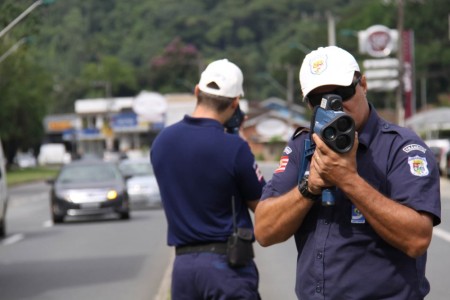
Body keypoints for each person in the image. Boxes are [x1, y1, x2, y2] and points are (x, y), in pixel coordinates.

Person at [254, 46, 441, 300]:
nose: (333, 106)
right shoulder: (303, 146)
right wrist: (309, 187)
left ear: (362, 84)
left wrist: (349, 181)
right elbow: (264, 231)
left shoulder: (401, 148)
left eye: (341, 93)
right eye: (318, 100)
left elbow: (417, 238)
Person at [151, 59, 266, 299]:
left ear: (196, 91)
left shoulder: (162, 143)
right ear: (235, 103)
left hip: (183, 269)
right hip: (226, 268)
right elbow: (262, 204)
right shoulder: (234, 148)